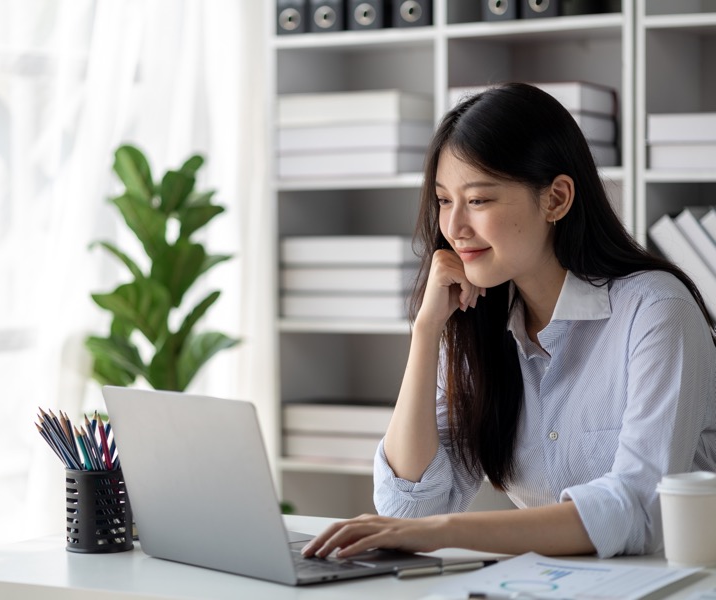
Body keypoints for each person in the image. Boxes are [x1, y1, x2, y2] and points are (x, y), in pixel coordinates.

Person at [301, 82, 716, 561]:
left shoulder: (657, 310)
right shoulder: (479, 320)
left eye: (478, 200)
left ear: (556, 199)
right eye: (443, 200)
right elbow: (407, 509)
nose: (454, 228)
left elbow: (636, 509)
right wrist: (426, 332)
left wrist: (449, 531)